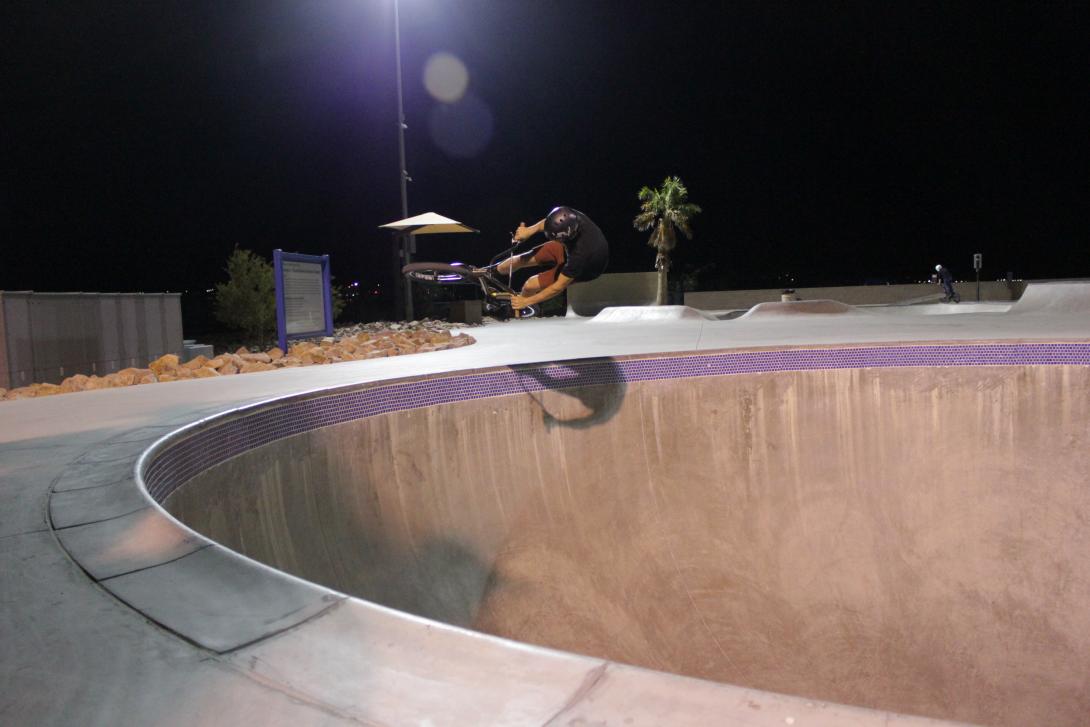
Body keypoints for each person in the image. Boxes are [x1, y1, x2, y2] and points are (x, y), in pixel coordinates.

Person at [495, 206, 609, 312]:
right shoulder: (569, 216)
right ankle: (492, 272)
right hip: (569, 248)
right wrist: (529, 231)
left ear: (564, 237)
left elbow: (558, 288)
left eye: (554, 238)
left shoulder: (580, 255)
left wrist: (525, 301)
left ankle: (523, 309)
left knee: (530, 285)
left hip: (587, 269)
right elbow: (548, 223)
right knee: (522, 259)